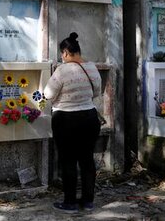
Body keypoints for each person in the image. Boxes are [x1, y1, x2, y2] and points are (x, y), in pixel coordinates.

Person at [44, 32, 102, 213]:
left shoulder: (62, 70)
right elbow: (97, 91)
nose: (62, 57)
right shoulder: (91, 67)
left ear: (66, 52)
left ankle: (69, 203)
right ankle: (88, 202)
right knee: (87, 160)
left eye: (62, 54)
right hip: (89, 118)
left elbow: (48, 94)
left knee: (68, 160)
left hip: (66, 119)